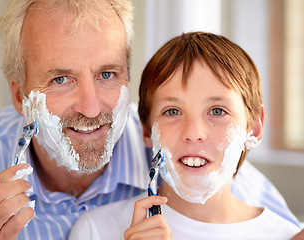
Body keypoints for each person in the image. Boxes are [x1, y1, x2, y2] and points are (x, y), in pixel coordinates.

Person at [0, 0, 300, 239]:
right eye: (61, 79)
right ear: (19, 97)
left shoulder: (195, 160)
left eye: (107, 74)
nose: (90, 107)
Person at [69, 32, 301, 240]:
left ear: (255, 128)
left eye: (218, 111)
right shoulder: (96, 230)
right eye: (172, 111)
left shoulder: (284, 235)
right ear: (147, 130)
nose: (194, 133)